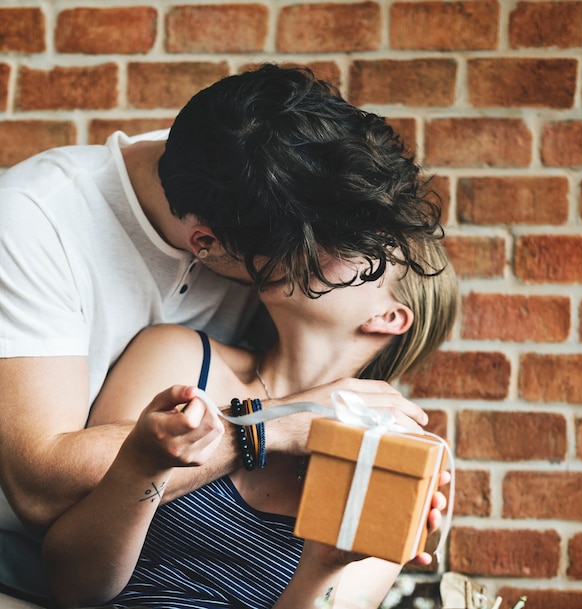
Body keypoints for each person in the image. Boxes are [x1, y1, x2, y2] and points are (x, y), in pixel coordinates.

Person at [0, 64, 444, 604]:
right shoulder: (36, 220)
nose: (334, 265)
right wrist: (272, 425)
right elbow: (39, 494)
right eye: (292, 269)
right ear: (205, 244)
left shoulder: (273, 182)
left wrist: (331, 557)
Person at [42, 236, 458, 609]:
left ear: (387, 318)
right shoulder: (181, 361)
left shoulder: (402, 457)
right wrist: (143, 468)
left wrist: (324, 565)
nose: (308, 242)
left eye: (351, 246)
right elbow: (73, 586)